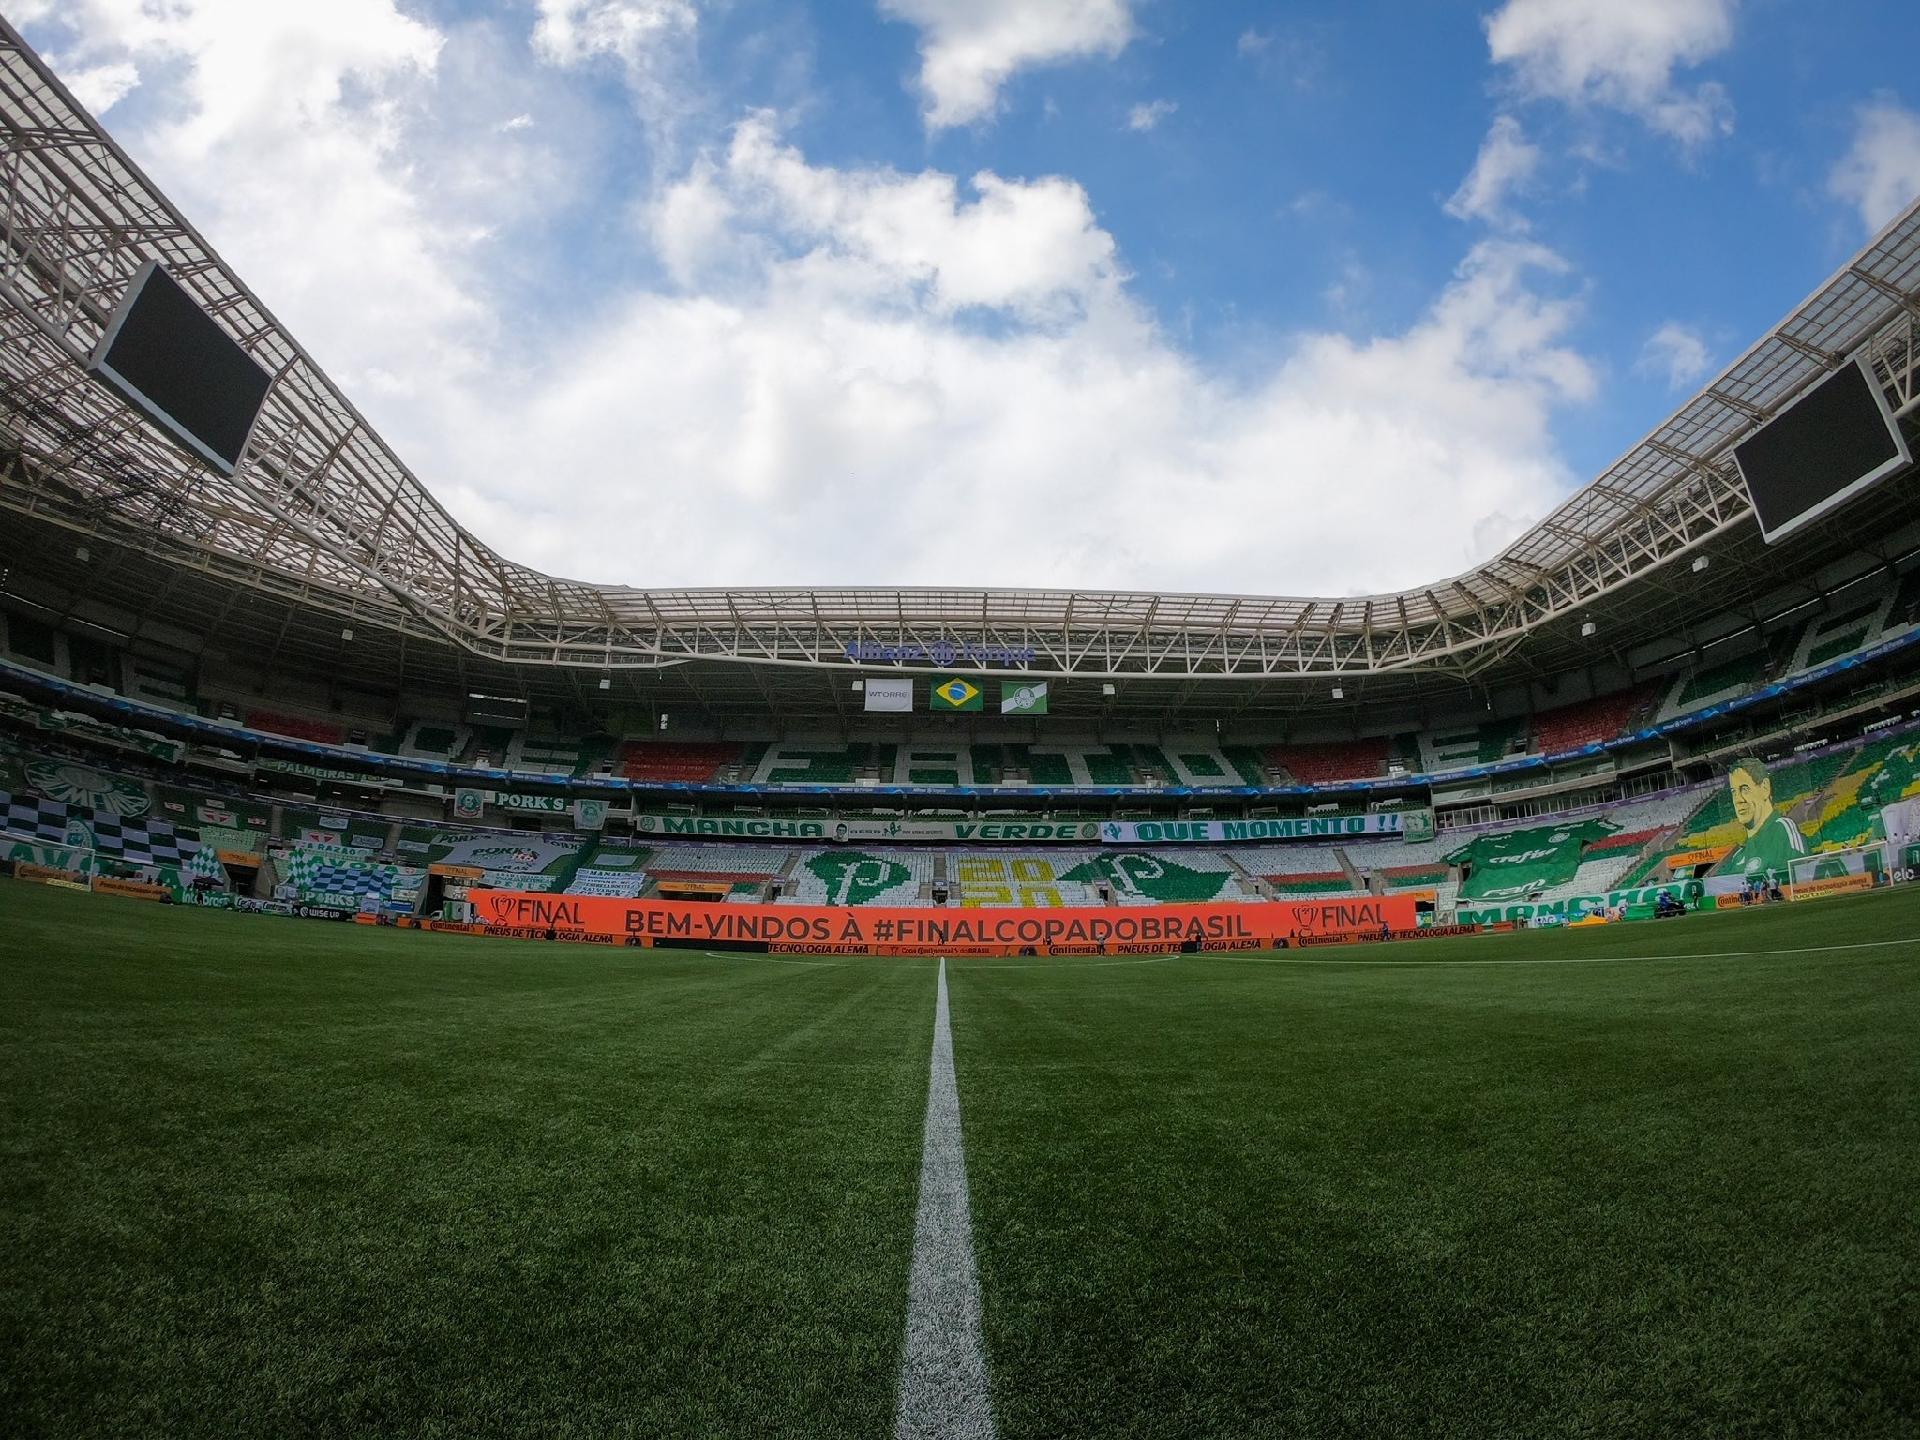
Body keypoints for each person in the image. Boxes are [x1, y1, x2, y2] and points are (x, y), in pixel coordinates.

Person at [1725, 756, 1807, 888]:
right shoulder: (1738, 857)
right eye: (1734, 792)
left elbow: (1802, 876)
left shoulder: (1783, 829)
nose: (1738, 799)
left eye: (1744, 789)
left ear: (1765, 787)